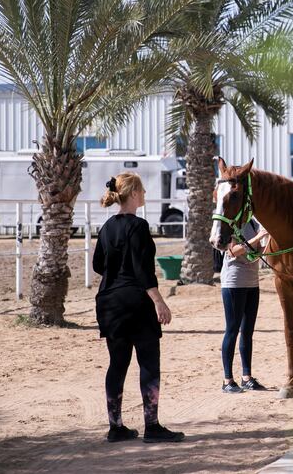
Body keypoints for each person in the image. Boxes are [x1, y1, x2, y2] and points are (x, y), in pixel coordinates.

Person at [93, 173, 184, 443]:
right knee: (148, 364)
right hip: (136, 302)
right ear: (133, 194)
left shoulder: (107, 227)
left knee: (117, 364)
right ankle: (152, 426)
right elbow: (143, 271)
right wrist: (159, 301)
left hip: (109, 302)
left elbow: (99, 265)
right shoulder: (139, 226)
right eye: (142, 191)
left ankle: (115, 426)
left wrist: (117, 270)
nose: (144, 195)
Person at [220, 218, 269, 394]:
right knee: (232, 330)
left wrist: (270, 241)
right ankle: (227, 380)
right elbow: (233, 251)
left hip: (252, 282)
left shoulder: (254, 223)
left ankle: (246, 377)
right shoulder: (232, 224)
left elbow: (258, 251)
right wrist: (259, 237)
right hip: (234, 282)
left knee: (247, 331)